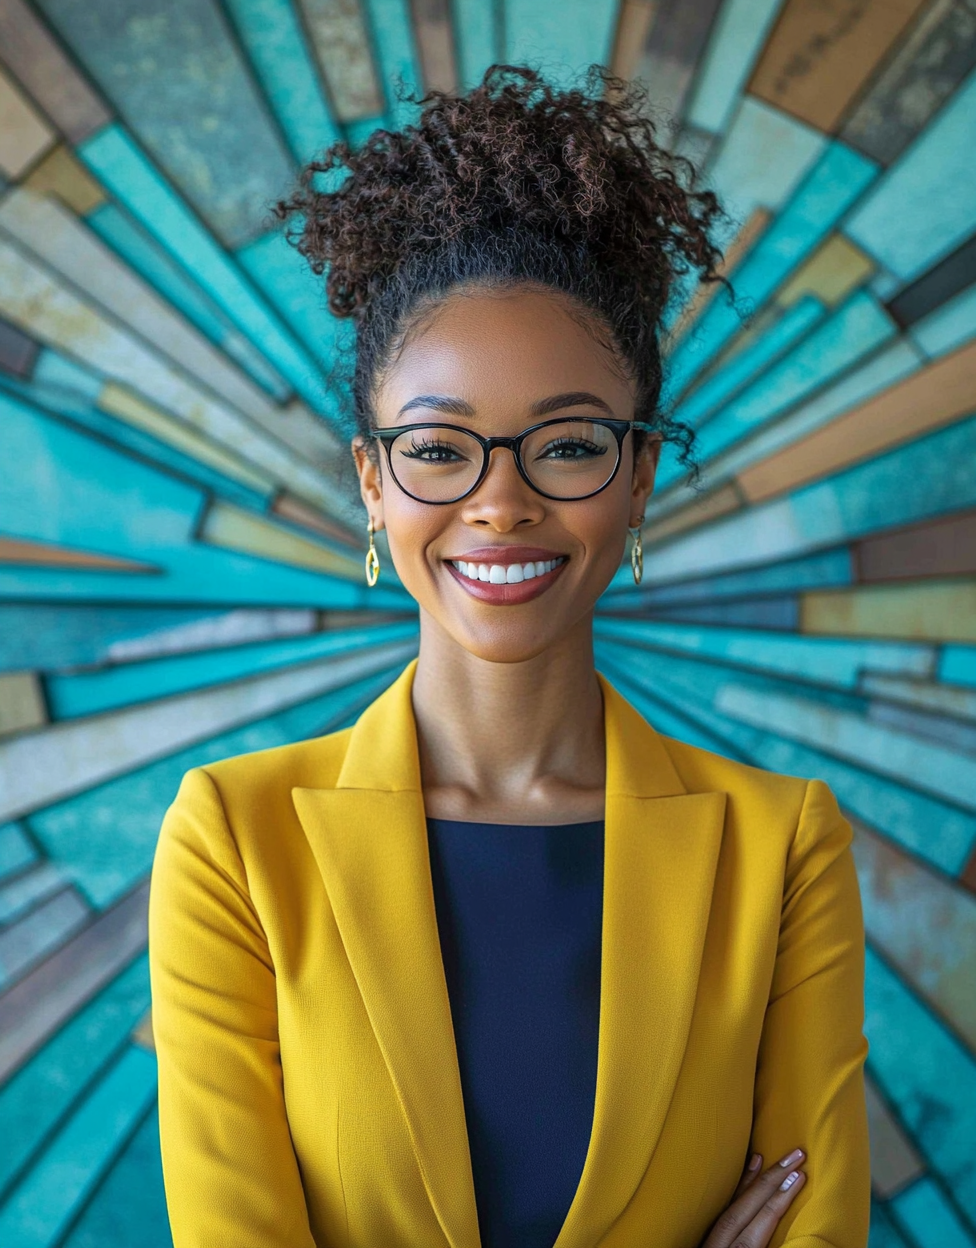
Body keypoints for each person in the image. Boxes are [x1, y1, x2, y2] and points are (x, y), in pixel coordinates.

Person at [148, 66, 870, 1248]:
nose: (500, 503)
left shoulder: (781, 846)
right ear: (373, 480)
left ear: (638, 475)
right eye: (439, 448)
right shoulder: (236, 841)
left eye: (569, 444)